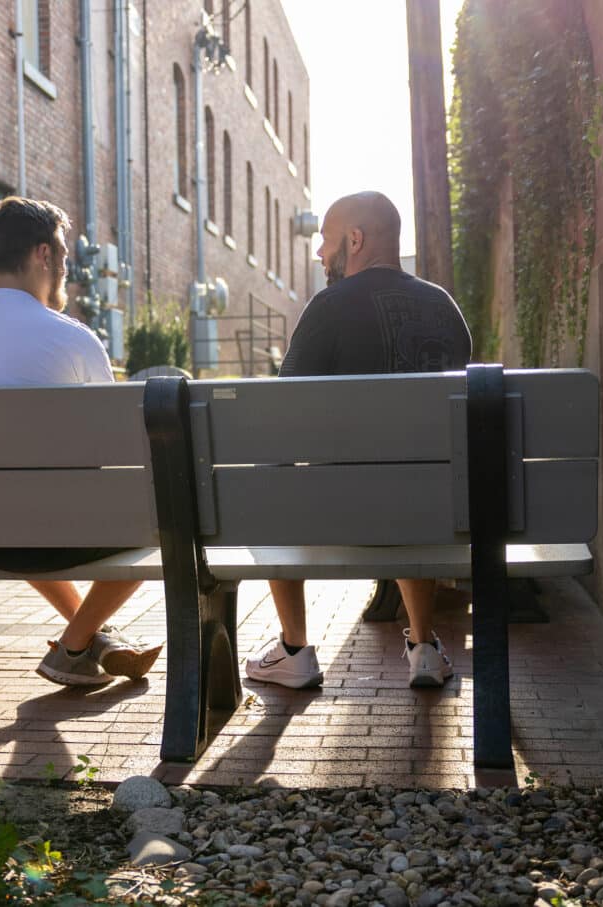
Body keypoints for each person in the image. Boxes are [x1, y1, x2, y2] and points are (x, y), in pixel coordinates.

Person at [0, 195, 162, 687]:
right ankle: (75, 645)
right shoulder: (73, 339)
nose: (67, 266)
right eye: (63, 253)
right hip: (50, 535)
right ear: (43, 254)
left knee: (13, 503)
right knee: (164, 522)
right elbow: (121, 454)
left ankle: (93, 637)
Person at [244, 190, 472, 691]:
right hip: (437, 512)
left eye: (325, 240)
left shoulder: (328, 307)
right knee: (414, 476)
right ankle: (424, 647)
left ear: (354, 239)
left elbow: (280, 416)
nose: (319, 253)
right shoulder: (445, 308)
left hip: (338, 514)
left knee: (267, 478)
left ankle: (293, 650)